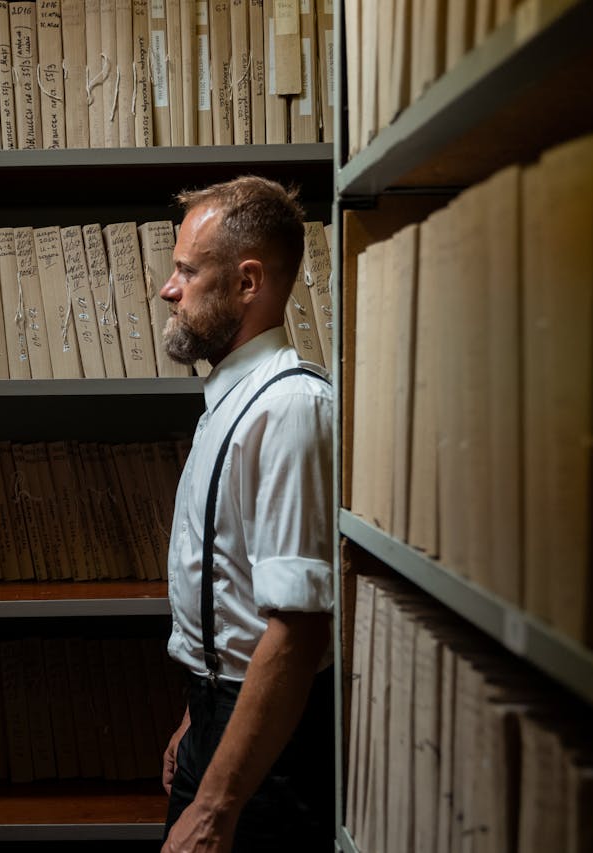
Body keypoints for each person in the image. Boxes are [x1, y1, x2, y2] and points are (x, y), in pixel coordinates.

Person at [157, 176, 335, 853]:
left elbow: (296, 629)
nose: (168, 289)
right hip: (217, 714)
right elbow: (230, 588)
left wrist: (215, 804)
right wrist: (195, 716)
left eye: (186, 270)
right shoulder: (234, 398)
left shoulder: (289, 408)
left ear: (248, 281)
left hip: (269, 751)